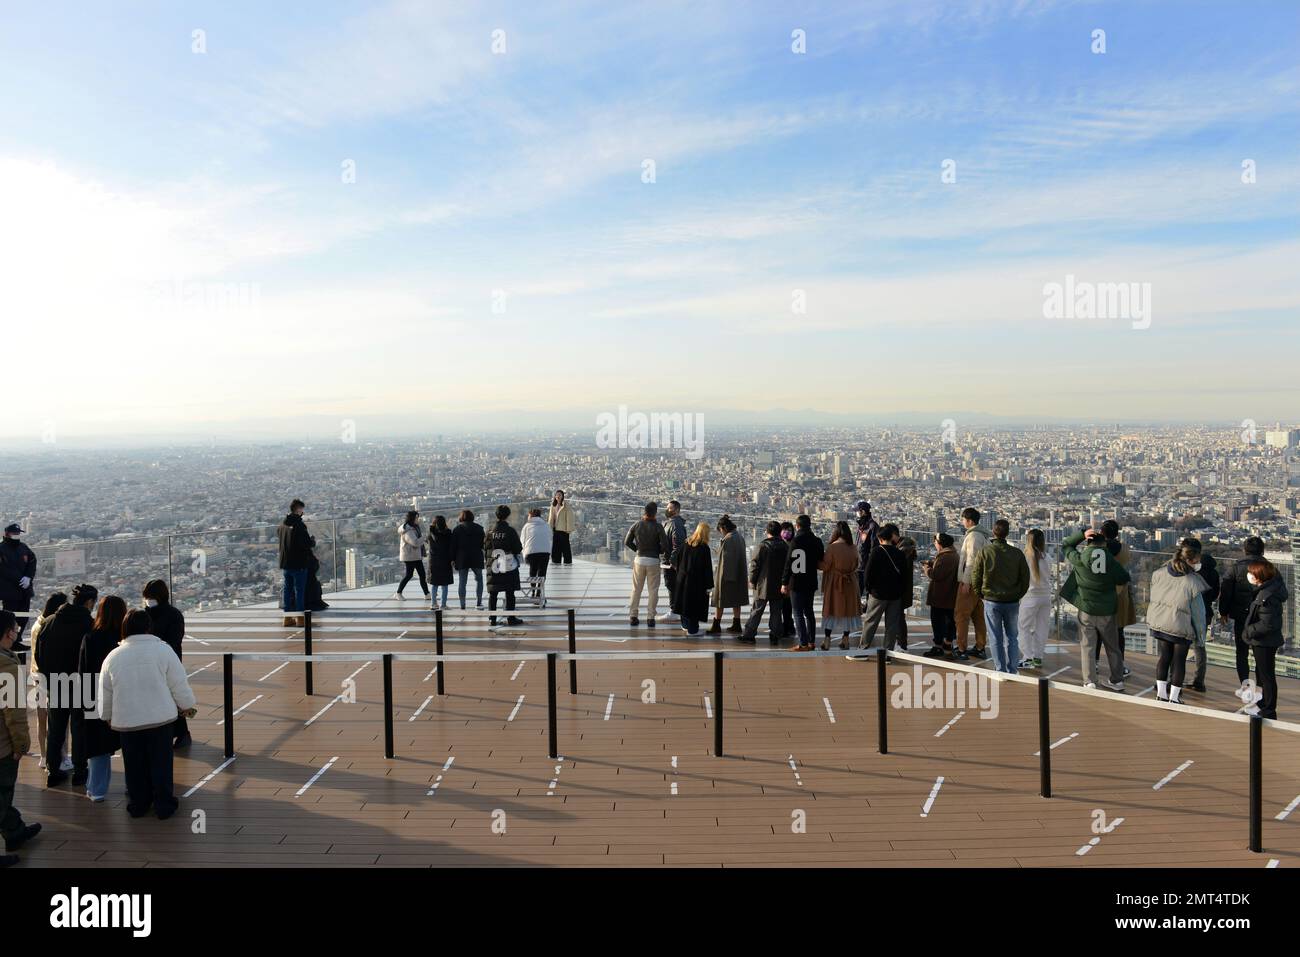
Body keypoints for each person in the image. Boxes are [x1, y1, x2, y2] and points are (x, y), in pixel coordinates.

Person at [98, 610, 197, 820]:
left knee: (134, 765)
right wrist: (187, 706)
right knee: (161, 763)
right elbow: (178, 683)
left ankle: (138, 804)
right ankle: (164, 805)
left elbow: (106, 691)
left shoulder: (113, 656)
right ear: (148, 627)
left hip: (127, 721)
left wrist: (106, 715)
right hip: (160, 719)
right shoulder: (163, 650)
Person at [35, 583, 96, 788]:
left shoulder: (50, 622)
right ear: (89, 602)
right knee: (80, 729)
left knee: (56, 729)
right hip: (82, 684)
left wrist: (48, 676)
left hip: (56, 683)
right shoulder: (89, 624)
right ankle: (80, 772)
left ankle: (54, 771)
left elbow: (39, 655)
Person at [1061, 526, 1132, 691]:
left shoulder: (1080, 558)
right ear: (1104, 545)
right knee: (1112, 646)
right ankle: (1116, 680)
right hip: (1107, 610)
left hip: (1086, 608)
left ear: (1088, 544)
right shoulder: (1110, 561)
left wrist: (1081, 534)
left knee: (1088, 646)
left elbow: (1066, 545)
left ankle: (1090, 681)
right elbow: (1123, 577)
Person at [0, 610, 41, 868]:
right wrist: (21, 745)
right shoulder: (7, 666)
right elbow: (13, 712)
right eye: (15, 629)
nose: (17, 632)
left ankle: (15, 831)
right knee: (2, 795)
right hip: (2, 745)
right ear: (8, 633)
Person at [1146, 541, 1211, 704]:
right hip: (1181, 626)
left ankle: (1161, 694)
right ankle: (1174, 697)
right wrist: (1201, 636)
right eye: (1196, 560)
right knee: (1179, 661)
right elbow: (1199, 615)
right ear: (1190, 560)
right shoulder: (1193, 582)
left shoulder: (1159, 573)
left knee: (1164, 657)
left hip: (1160, 621)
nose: (1198, 564)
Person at [75, 596, 125, 802]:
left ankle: (97, 790)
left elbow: (83, 673)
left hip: (96, 697)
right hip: (124, 697)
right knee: (130, 745)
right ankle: (135, 786)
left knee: (97, 747)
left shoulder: (91, 638)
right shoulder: (124, 639)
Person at [971, 519, 1031, 674]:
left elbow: (976, 575)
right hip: (1012, 601)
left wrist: (980, 594)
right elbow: (1025, 578)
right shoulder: (1017, 553)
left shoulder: (985, 551)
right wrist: (1018, 594)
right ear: (1007, 533)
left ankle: (1000, 669)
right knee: (1012, 637)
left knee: (995, 637)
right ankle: (1013, 669)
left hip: (991, 600)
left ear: (993, 532)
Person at [143, 579, 190, 749]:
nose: (148, 600)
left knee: (173, 698)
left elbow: (174, 641)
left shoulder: (173, 615)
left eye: (150, 597)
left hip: (169, 664)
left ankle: (183, 732)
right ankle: (166, 732)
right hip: (150, 663)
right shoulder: (145, 614)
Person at [1219, 536, 1266, 700]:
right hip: (1262, 617)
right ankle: (1260, 690)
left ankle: (1245, 687)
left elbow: (1225, 591)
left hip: (1241, 616)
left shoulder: (1235, 568)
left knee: (1242, 652)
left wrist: (1223, 611)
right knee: (1260, 653)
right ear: (1262, 551)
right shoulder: (1268, 568)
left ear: (1244, 550)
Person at [1241, 559, 1287, 719]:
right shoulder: (1268, 591)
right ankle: (1262, 704)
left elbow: (1268, 624)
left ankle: (1268, 708)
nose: (1249, 575)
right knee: (1262, 673)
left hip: (1264, 640)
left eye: (1251, 573)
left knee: (1266, 675)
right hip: (1264, 640)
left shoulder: (1266, 596)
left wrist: (1249, 631)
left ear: (1259, 576)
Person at [28, 592, 66, 769]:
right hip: (51, 676)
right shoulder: (50, 626)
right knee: (59, 718)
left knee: (42, 717)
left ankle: (44, 755)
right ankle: (62, 755)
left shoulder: (38, 624)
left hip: (37, 676)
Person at [860, 524, 907, 652]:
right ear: (891, 537)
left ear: (880, 538)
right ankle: (888, 652)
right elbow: (905, 576)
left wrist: (870, 590)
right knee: (891, 625)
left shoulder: (876, 551)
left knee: (870, 622)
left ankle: (863, 650)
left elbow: (868, 574)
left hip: (878, 594)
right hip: (895, 595)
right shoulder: (900, 554)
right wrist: (900, 591)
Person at [1181, 538, 1219, 694]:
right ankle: (1199, 680)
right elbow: (1215, 593)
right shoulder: (1213, 572)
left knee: (1180, 645)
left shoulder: (1188, 571)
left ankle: (1174, 678)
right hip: (1205, 612)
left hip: (1186, 611)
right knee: (1200, 646)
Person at [741, 521, 789, 644]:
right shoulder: (785, 547)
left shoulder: (763, 546)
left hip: (763, 584)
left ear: (767, 532)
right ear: (779, 532)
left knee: (757, 610)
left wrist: (752, 580)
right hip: (779, 585)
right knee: (776, 612)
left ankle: (749, 635)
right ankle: (775, 635)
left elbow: (754, 565)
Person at [625, 502, 670, 627]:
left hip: (639, 559)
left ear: (644, 512)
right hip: (653, 561)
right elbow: (665, 545)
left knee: (636, 589)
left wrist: (638, 550)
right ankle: (651, 618)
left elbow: (627, 541)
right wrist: (658, 551)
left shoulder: (636, 525)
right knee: (653, 590)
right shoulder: (658, 527)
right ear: (655, 513)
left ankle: (633, 616)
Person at [782, 515, 824, 652]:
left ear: (797, 526)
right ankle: (811, 642)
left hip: (797, 581)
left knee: (798, 613)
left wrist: (784, 582)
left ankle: (803, 643)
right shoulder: (816, 541)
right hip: (811, 581)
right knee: (809, 612)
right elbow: (821, 558)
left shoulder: (795, 541)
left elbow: (788, 563)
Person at [818, 521, 860, 651]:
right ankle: (845, 640)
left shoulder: (832, 548)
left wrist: (815, 561)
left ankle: (827, 640)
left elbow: (825, 566)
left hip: (835, 583)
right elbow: (857, 564)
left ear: (835, 532)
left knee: (831, 610)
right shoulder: (853, 547)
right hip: (850, 582)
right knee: (848, 611)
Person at [1017, 529, 1053, 668]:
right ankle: (1038, 657)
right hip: (1045, 596)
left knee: (1023, 627)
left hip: (1030, 596)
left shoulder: (1025, 557)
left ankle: (1027, 657)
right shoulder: (1047, 557)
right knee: (1042, 628)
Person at [484, 505, 524, 627]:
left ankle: (492, 618)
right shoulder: (510, 531)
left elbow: (485, 548)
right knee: (510, 592)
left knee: (493, 593)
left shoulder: (490, 531)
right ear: (507, 516)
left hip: (494, 565)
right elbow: (518, 548)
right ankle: (511, 618)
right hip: (508, 565)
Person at [672, 522, 714, 637]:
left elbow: (676, 559)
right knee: (694, 605)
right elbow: (707, 568)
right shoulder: (704, 548)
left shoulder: (686, 543)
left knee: (684, 602)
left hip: (682, 579)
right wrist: (709, 585)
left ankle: (685, 625)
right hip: (696, 582)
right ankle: (692, 630)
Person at [0, 523, 37, 652]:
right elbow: (3, 569)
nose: (16, 536)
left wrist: (28, 577)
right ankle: (7, 642)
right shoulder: (1, 548)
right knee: (10, 618)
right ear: (7, 534)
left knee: (23, 617)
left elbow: (32, 561)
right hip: (9, 592)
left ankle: (18, 639)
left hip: (24, 590)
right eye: (14, 533)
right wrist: (19, 578)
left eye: (18, 533)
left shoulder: (23, 547)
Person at [709, 516, 747, 635]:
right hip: (739, 574)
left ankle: (716, 625)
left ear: (723, 528)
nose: (721, 533)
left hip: (726, 575)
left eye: (720, 530)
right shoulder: (739, 537)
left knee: (720, 599)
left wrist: (723, 579)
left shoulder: (728, 539)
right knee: (737, 600)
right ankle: (736, 624)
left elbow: (726, 561)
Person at [922, 533, 958, 658]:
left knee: (937, 621)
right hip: (950, 595)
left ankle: (939, 646)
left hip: (940, 596)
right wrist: (933, 562)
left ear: (940, 544)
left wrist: (927, 568)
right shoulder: (954, 554)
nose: (935, 544)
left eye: (936, 543)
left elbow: (936, 575)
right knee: (950, 620)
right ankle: (948, 644)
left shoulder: (944, 557)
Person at [277, 500, 313, 627]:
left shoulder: (282, 524)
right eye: (302, 510)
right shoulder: (299, 525)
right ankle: (300, 618)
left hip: (286, 563)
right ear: (298, 510)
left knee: (287, 590)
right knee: (300, 590)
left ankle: (287, 618)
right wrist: (312, 541)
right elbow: (307, 543)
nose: (303, 513)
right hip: (299, 562)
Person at [451, 510, 487, 610]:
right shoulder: (479, 528)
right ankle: (479, 602)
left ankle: (462, 604)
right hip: (476, 556)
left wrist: (453, 559)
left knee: (462, 582)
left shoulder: (457, 529)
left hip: (462, 557)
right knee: (479, 580)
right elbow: (482, 545)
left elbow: (453, 546)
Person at [661, 501, 688, 624]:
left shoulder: (675, 524)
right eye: (667, 507)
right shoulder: (672, 523)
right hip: (669, 561)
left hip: (671, 562)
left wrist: (672, 561)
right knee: (671, 585)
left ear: (676, 510)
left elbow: (678, 544)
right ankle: (676, 610)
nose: (667, 509)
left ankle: (674, 611)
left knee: (672, 585)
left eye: (670, 508)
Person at [396, 511, 430, 600]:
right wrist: (424, 538)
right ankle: (398, 593)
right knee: (409, 575)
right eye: (416, 518)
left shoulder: (414, 528)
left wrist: (422, 539)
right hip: (409, 556)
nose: (418, 519)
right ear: (412, 518)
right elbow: (415, 542)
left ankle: (427, 594)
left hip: (414, 555)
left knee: (422, 575)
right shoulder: (407, 530)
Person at [520, 508, 553, 598]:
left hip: (531, 553)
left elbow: (522, 540)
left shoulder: (526, 526)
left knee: (533, 571)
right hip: (545, 552)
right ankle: (540, 590)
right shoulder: (546, 525)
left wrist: (524, 552)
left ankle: (533, 591)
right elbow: (550, 538)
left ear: (531, 516)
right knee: (542, 573)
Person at [426, 515, 454, 609]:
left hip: (433, 561)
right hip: (445, 560)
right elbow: (451, 548)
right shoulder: (448, 534)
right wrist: (452, 559)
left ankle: (433, 604)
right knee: (444, 584)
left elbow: (428, 543)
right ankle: (443, 604)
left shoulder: (430, 534)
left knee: (434, 584)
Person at [854, 502, 880, 596]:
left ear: (863, 512)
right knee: (857, 591)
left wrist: (870, 564)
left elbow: (874, 548)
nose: (856, 513)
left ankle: (867, 608)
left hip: (867, 565)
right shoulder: (861, 526)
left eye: (857, 511)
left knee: (869, 590)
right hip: (859, 564)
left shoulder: (872, 526)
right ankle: (857, 608)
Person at [897, 535, 918, 649]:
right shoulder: (910, 553)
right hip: (905, 590)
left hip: (898, 590)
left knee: (898, 617)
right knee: (900, 617)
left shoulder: (903, 553)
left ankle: (901, 642)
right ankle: (901, 642)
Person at [778, 522, 796, 637]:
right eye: (785, 530)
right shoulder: (779, 543)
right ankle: (784, 626)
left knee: (787, 606)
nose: (787, 532)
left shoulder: (793, 544)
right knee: (780, 605)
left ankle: (788, 626)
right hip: (779, 578)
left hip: (789, 580)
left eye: (789, 530)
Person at [548, 491, 575, 565]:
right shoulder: (553, 505)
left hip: (564, 528)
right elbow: (551, 518)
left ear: (562, 496)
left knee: (565, 546)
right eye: (556, 495)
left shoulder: (566, 505)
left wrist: (569, 529)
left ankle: (568, 561)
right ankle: (556, 561)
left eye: (559, 495)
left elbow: (569, 517)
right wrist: (549, 527)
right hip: (555, 528)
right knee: (556, 545)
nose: (558, 496)